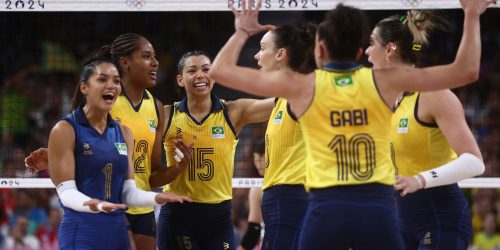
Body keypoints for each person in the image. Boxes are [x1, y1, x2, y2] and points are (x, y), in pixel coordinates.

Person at [208, 0, 492, 249]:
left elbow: (220, 71)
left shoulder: (302, 87)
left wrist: (242, 31)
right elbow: (466, 70)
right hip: (378, 209)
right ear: (359, 53)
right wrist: (472, 14)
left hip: (326, 210)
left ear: (319, 51)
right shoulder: (386, 82)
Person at [25, 33, 193, 250]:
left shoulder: (156, 108)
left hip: (139, 205)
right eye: (146, 56)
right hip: (106, 207)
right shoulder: (102, 103)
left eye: (154, 56)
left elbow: (151, 175)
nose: (156, 63)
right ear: (125, 63)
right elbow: (84, 142)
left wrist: (177, 169)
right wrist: (56, 154)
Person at [364, 10, 485, 249]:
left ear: (389, 50)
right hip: (401, 218)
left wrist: (420, 180)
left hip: (441, 217)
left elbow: (475, 162)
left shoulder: (433, 94)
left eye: (370, 43)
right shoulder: (384, 98)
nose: (366, 52)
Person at [156, 50, 274, 250]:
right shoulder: (167, 115)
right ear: (180, 80)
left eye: (206, 69)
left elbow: (281, 103)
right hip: (178, 214)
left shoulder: (233, 112)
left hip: (218, 217)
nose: (200, 75)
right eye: (192, 70)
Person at [252, 23, 316, 250]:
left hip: (292, 196)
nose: (256, 55)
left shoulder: (303, 93)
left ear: (280, 54)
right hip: (282, 199)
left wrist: (241, 32)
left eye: (262, 48)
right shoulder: (283, 98)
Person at [238, 138, 265, 250]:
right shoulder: (258, 188)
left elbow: (254, 229)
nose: (257, 164)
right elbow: (255, 229)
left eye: (259, 159)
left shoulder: (258, 189)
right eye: (255, 159)